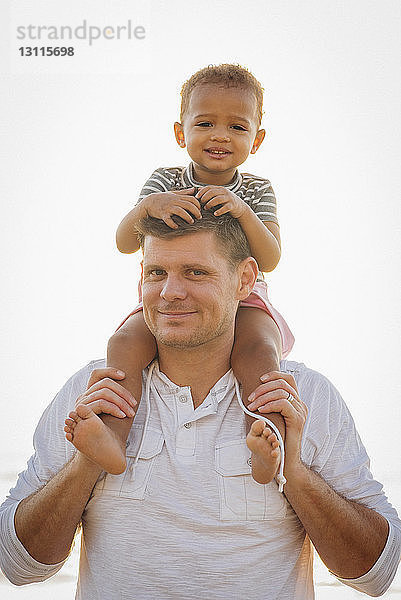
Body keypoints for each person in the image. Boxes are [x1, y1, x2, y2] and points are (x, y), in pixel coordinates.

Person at [0, 210, 400, 599]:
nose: (171, 292)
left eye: (196, 272)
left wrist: (294, 474)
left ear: (245, 280)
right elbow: (19, 565)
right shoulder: (93, 391)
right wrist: (86, 463)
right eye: (157, 273)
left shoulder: (301, 396)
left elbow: (375, 574)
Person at [98, 63, 295, 485]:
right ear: (180, 132)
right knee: (124, 343)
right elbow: (124, 242)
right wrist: (147, 208)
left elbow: (271, 257)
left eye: (237, 127)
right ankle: (112, 436)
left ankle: (266, 443)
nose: (220, 135)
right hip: (176, 288)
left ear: (257, 140)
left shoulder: (257, 190)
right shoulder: (164, 180)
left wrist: (242, 212)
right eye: (204, 123)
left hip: (247, 294)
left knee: (259, 352)